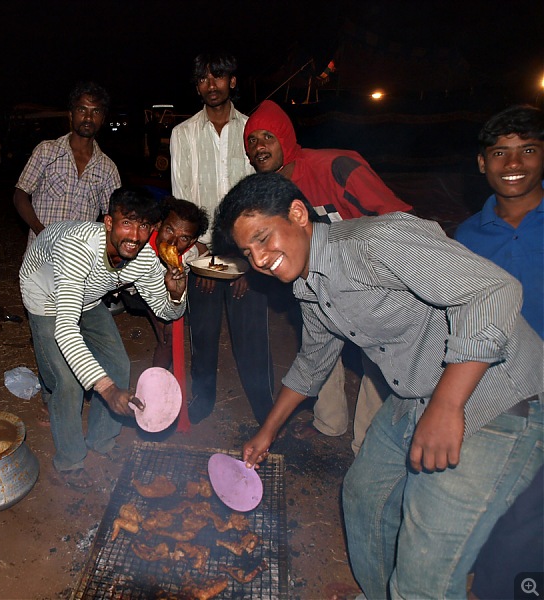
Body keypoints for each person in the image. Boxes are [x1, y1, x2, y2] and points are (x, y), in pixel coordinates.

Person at [213, 172, 542, 599]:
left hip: (495, 395)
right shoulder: (307, 284)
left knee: (424, 574)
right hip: (417, 391)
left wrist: (445, 407)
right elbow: (313, 362)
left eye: (262, 238)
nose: (258, 259)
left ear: (297, 214)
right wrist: (266, 432)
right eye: (247, 251)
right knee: (365, 498)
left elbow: (494, 292)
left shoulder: (376, 242)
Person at [243, 99, 412, 453]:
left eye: (267, 137)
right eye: (252, 140)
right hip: (317, 281)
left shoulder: (334, 166)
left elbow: (398, 216)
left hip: (369, 278)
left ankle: (367, 443)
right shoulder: (271, 191)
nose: (259, 146)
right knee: (316, 347)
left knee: (375, 360)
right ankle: (329, 422)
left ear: (286, 138)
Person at [20, 187, 187, 489]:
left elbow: (166, 311)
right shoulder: (78, 247)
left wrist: (177, 296)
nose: (135, 235)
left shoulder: (146, 258)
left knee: (118, 364)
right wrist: (107, 390)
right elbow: (66, 329)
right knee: (67, 382)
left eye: (144, 226)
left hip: (89, 293)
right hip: (43, 291)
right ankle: (70, 459)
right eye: (127, 223)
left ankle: (102, 438)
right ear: (109, 222)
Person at [454, 104, 544, 600]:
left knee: (529, 520)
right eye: (500, 152)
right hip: (493, 392)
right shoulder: (468, 237)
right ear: (482, 163)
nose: (514, 163)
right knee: (493, 502)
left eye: (528, 150)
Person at [170, 52, 274, 425]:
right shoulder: (182, 134)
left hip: (248, 253)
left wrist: (247, 261)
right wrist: (201, 261)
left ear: (233, 80)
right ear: (196, 86)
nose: (210, 85)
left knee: (252, 340)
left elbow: (261, 200)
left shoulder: (253, 131)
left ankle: (266, 410)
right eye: (202, 79)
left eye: (218, 77)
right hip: (202, 253)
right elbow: (182, 201)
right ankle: (205, 398)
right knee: (203, 334)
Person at [13, 81, 120, 247]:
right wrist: (42, 233)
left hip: (80, 261)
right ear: (71, 115)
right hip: (41, 256)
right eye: (82, 109)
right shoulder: (46, 152)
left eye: (96, 111)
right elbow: (20, 195)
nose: (88, 118)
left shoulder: (108, 169)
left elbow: (113, 217)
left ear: (102, 119)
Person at [121, 197, 208, 369]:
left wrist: (205, 273)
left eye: (184, 238)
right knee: (167, 336)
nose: (173, 242)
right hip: (135, 290)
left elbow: (205, 253)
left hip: (168, 291)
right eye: (169, 229)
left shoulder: (192, 250)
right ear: (158, 225)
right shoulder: (140, 245)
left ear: (192, 241)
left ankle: (157, 385)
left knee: (169, 338)